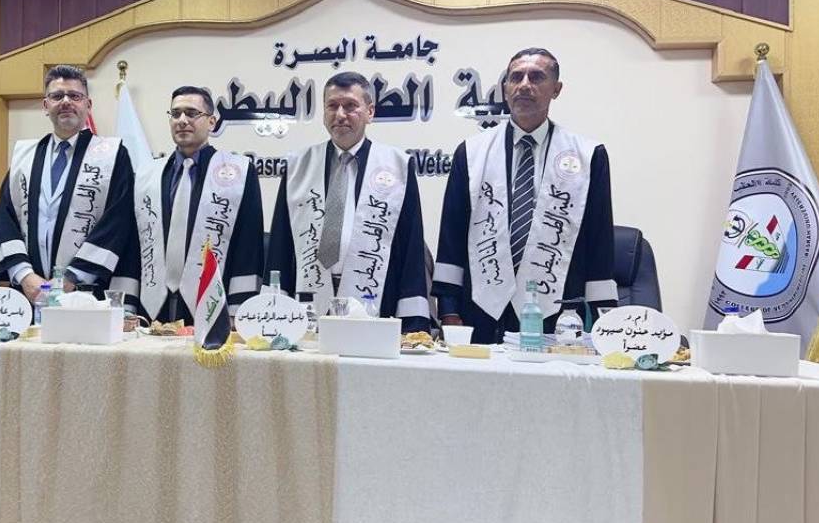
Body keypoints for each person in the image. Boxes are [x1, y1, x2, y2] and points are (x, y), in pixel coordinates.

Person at [432, 48, 617, 343]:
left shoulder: (588, 156)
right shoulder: (471, 153)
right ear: (506, 88)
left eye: (537, 77)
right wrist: (449, 311)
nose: (524, 85)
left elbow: (599, 241)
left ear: (556, 89)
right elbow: (452, 237)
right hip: (481, 310)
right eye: (516, 77)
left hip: (557, 312)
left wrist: (604, 320)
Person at [266, 71, 430, 332]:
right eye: (332, 106)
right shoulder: (299, 166)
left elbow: (411, 245)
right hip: (308, 302)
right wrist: (274, 309)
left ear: (370, 112)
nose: (340, 114)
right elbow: (281, 242)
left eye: (351, 106)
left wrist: (414, 323)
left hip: (376, 299)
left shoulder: (397, 165)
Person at [112, 86, 264, 323]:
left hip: (214, 306)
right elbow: (133, 244)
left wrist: (239, 310)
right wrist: (125, 305)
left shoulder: (239, 172)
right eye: (176, 114)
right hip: (151, 306)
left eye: (192, 113)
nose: (182, 120)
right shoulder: (146, 174)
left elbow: (248, 245)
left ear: (211, 122)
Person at [0, 64, 134, 301]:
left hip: (86, 292)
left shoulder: (112, 155)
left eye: (75, 96)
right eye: (57, 96)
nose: (66, 102)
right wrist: (25, 276)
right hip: (31, 291)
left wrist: (70, 279)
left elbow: (118, 221)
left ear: (88, 105)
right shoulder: (24, 157)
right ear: (45, 105)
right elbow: (6, 219)